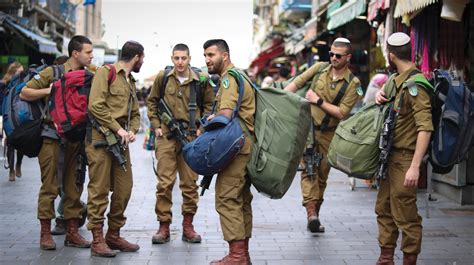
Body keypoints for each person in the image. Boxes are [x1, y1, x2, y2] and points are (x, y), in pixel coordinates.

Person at [20, 35, 93, 250]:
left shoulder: (89, 76)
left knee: (72, 188)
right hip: (51, 137)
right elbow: (25, 92)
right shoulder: (53, 72)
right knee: (50, 186)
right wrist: (49, 90)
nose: (91, 56)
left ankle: (72, 232)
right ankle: (45, 233)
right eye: (88, 52)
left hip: (75, 140)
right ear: (75, 53)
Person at [284, 37, 362, 233]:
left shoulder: (353, 83)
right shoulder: (319, 68)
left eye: (338, 55)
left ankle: (315, 213)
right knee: (309, 169)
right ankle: (311, 213)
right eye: (331, 54)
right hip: (308, 130)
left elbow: (342, 113)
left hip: (330, 134)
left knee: (322, 176)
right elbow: (296, 83)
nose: (334, 58)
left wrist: (317, 100)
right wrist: (280, 100)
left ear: (348, 57)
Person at [374, 32, 432, 265]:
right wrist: (379, 95)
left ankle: (409, 260)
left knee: (405, 214)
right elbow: (385, 98)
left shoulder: (416, 85)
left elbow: (425, 128)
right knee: (384, 209)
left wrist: (415, 167)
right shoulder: (394, 80)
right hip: (390, 158)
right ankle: (386, 258)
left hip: (406, 158)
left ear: (391, 55)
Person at [147, 43, 213, 244]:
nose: (180, 62)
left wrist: (202, 126)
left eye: (184, 58)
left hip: (191, 137)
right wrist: (156, 125)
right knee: (164, 183)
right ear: (172, 58)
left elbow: (210, 105)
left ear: (190, 58)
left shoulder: (201, 80)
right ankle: (164, 226)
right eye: (176, 58)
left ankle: (188, 226)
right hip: (166, 137)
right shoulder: (163, 77)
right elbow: (152, 101)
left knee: (190, 184)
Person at [86, 40, 144, 257]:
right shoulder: (106, 72)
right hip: (100, 139)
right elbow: (95, 105)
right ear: (137, 57)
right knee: (99, 189)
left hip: (120, 143)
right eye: (142, 58)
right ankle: (97, 239)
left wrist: (131, 131)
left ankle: (114, 234)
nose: (142, 62)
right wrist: (118, 128)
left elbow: (136, 113)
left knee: (124, 189)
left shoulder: (130, 81)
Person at [203, 39, 255, 265]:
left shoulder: (229, 78)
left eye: (211, 54)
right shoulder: (242, 75)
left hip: (236, 147)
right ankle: (243, 254)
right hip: (246, 145)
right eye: (205, 55)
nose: (207, 59)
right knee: (241, 199)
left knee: (226, 198)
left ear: (224, 56)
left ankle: (236, 256)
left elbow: (225, 113)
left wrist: (211, 119)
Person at [1, 62, 24, 182]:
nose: (22, 73)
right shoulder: (4, 84)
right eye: (20, 71)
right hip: (7, 116)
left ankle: (18, 164)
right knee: (11, 143)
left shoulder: (23, 83)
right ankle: (11, 170)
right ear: (13, 72)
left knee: (21, 142)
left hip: (19, 116)